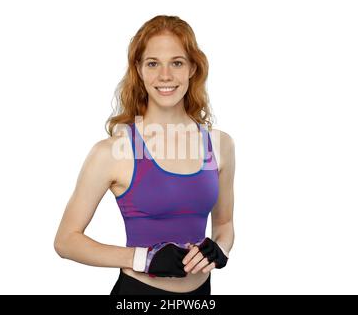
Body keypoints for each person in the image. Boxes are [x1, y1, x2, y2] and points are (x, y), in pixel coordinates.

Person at [54, 15, 235, 295]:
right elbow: (66, 241)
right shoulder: (113, 151)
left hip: (202, 295)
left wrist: (219, 248)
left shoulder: (220, 145)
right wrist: (143, 258)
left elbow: (224, 224)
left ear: (192, 68)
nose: (165, 76)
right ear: (138, 70)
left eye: (177, 62)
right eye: (153, 63)